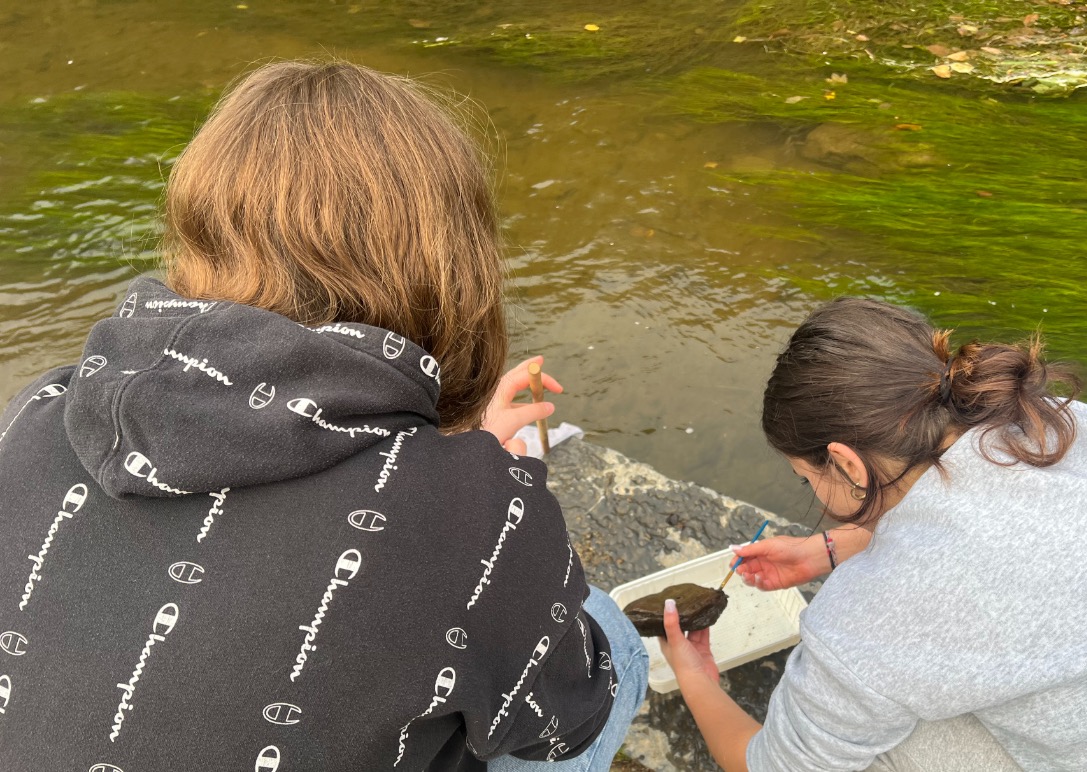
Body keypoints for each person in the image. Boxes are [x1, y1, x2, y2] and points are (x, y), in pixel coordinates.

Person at [0, 60, 647, 771]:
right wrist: (491, 486)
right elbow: (571, 719)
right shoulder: (478, 512)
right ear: (451, 263)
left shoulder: (38, 412)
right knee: (612, 636)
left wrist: (447, 461)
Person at [659, 297, 1087, 771]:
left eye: (807, 481)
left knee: (889, 739)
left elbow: (778, 766)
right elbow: (1014, 543)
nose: (815, 498)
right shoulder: (1059, 427)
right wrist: (830, 547)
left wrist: (695, 676)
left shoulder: (879, 615)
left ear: (846, 464)